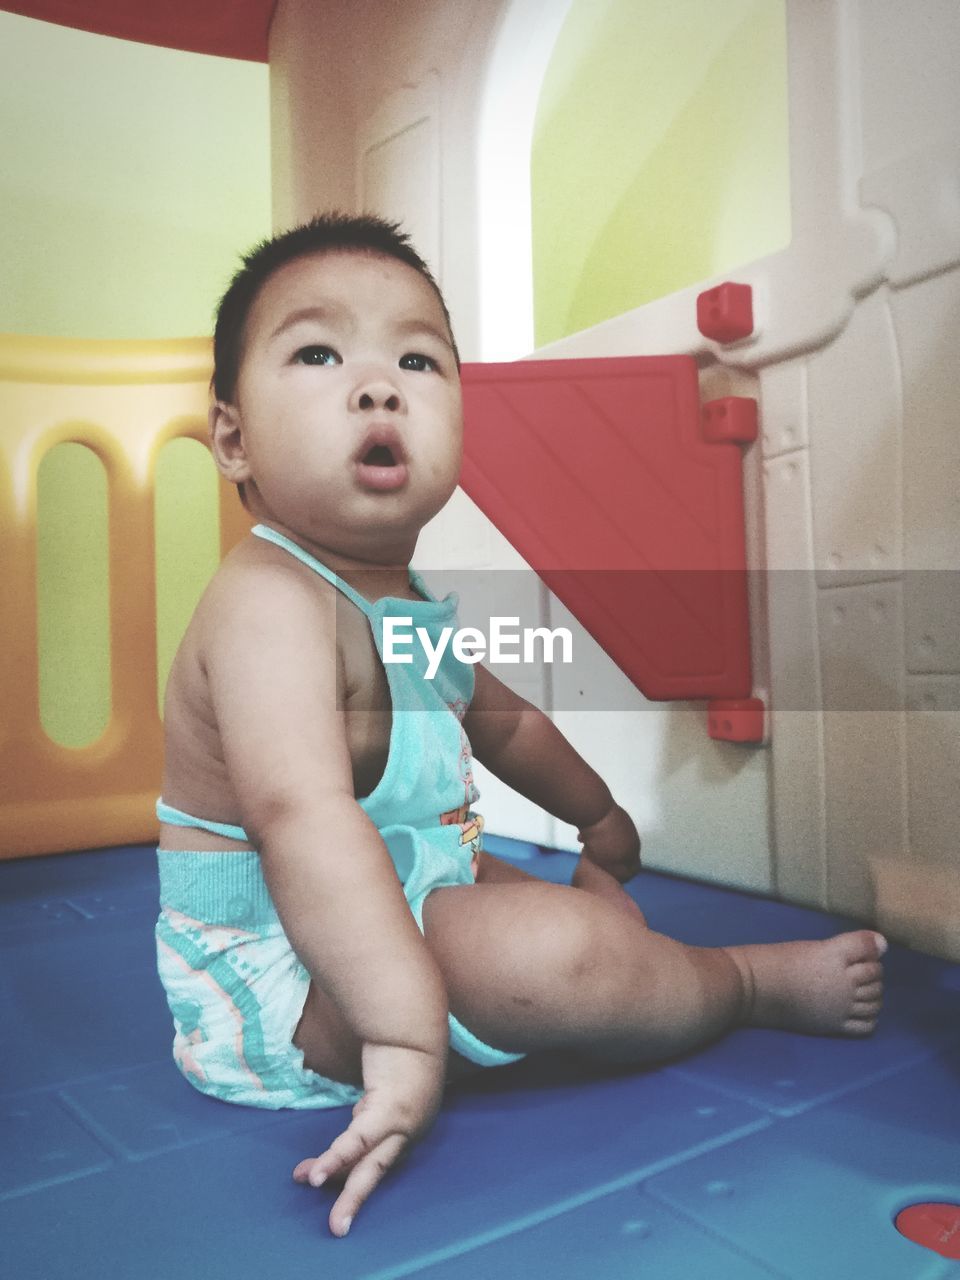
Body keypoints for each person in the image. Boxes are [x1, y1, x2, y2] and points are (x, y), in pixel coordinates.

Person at [155, 213, 885, 1239]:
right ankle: (737, 980)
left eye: (417, 358)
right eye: (319, 353)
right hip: (287, 971)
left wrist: (599, 816)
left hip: (396, 882)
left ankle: (627, 961)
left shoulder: (397, 599)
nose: (378, 386)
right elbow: (303, 822)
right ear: (233, 436)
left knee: (548, 919)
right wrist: (405, 1042)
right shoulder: (268, 604)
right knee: (553, 952)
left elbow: (503, 719)